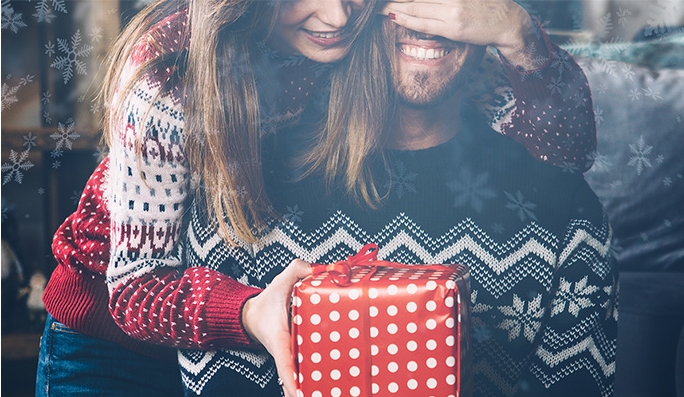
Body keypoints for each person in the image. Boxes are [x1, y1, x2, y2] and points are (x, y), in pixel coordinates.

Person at [38, 1, 598, 397]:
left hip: (217, 338)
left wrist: (518, 34)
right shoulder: (171, 81)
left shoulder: (351, 38)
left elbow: (569, 150)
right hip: (111, 342)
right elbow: (136, 287)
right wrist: (252, 311)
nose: (334, 16)